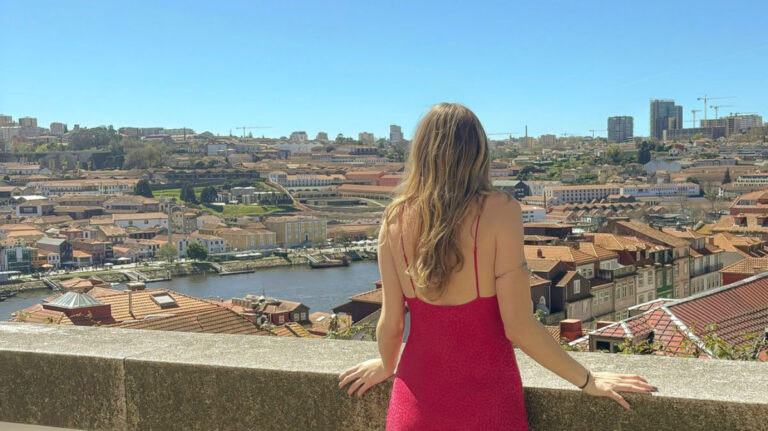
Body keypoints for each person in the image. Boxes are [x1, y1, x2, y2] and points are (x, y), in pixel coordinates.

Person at [338, 103, 655, 430]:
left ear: (421, 152)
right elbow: (519, 326)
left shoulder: (394, 217)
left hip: (414, 405)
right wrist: (587, 380)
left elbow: (391, 324)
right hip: (488, 406)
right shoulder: (500, 210)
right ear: (478, 151)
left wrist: (387, 365)